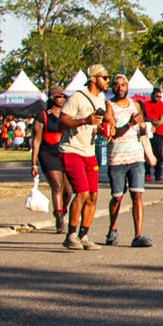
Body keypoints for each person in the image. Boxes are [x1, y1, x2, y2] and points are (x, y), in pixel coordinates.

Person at [59, 66, 107, 249]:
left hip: (89, 151)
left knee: (93, 195)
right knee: (82, 192)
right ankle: (70, 235)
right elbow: (62, 121)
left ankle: (84, 235)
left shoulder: (100, 100)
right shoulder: (77, 97)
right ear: (93, 78)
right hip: (72, 150)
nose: (107, 81)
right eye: (105, 77)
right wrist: (84, 121)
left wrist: (103, 130)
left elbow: (95, 126)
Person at [102, 72, 152, 247]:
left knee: (137, 195)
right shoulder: (109, 107)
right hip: (117, 158)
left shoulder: (136, 104)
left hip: (136, 157)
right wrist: (130, 124)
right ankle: (113, 228)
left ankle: (138, 235)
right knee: (117, 197)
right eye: (116, 85)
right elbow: (112, 134)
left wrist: (144, 128)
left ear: (128, 87)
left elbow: (143, 129)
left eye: (123, 84)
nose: (120, 88)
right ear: (112, 87)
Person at [32, 88, 72, 233]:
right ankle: (59, 218)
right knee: (57, 186)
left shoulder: (66, 115)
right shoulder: (43, 116)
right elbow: (36, 140)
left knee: (69, 191)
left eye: (63, 96)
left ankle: (62, 210)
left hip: (63, 152)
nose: (62, 99)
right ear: (52, 98)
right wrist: (33, 163)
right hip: (47, 154)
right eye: (58, 96)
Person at [143, 86, 163, 182]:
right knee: (147, 154)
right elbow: (143, 117)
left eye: (160, 97)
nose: (158, 98)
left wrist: (156, 125)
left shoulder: (162, 105)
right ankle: (147, 173)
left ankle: (158, 174)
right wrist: (150, 121)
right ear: (152, 95)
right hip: (147, 132)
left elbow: (162, 119)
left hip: (158, 133)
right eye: (157, 96)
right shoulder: (146, 104)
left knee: (158, 153)